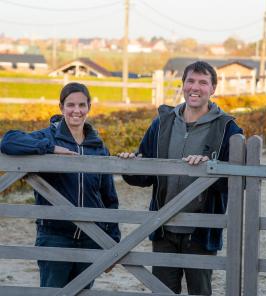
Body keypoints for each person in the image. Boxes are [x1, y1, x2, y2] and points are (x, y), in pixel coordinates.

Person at [118, 61, 243, 295]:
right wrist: (129, 164)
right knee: (162, 292)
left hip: (202, 232)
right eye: (190, 81)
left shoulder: (228, 129)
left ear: (213, 88)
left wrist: (211, 169)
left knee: (200, 292)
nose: (195, 87)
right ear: (183, 85)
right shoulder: (162, 123)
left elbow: (240, 183)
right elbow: (145, 176)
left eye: (203, 82)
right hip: (164, 229)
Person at [0, 82, 120, 288]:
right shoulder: (48, 136)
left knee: (82, 292)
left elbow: (109, 196)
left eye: (82, 105)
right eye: (71, 105)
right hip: (55, 235)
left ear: (89, 107)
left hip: (92, 236)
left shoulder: (98, 147)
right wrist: (51, 148)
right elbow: (8, 141)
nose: (76, 110)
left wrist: (112, 241)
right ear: (61, 107)